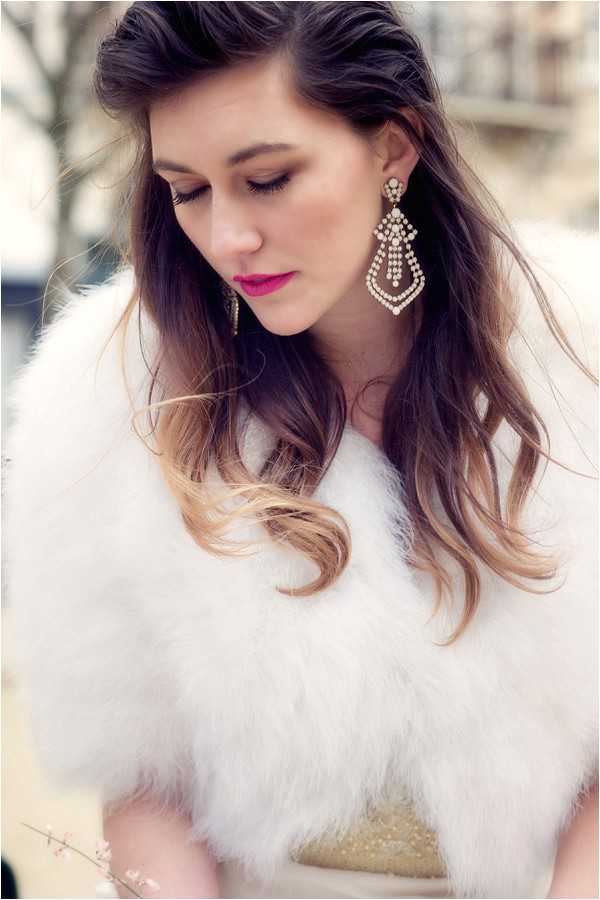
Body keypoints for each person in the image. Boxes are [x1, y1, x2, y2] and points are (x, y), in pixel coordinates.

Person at [5, 3, 598, 899]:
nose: (227, 238)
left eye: (267, 179)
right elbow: (142, 778)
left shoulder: (576, 356)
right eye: (188, 190)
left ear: (393, 148)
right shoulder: (112, 402)